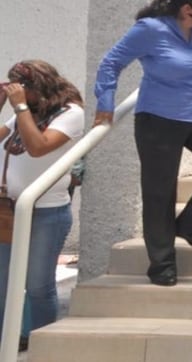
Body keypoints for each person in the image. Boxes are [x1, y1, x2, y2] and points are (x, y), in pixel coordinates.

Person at [94, 0, 192, 287]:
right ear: (187, 7)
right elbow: (111, 63)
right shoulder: (151, 29)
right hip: (159, 118)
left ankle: (190, 225)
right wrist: (105, 102)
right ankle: (162, 265)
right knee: (159, 192)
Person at [0, 61, 84, 345]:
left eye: (21, 86)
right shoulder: (24, 113)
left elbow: (38, 147)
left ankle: (42, 345)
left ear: (39, 85)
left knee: (37, 286)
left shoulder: (70, 113)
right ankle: (6, 342)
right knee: (2, 284)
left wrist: (20, 107)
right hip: (8, 212)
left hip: (47, 213)